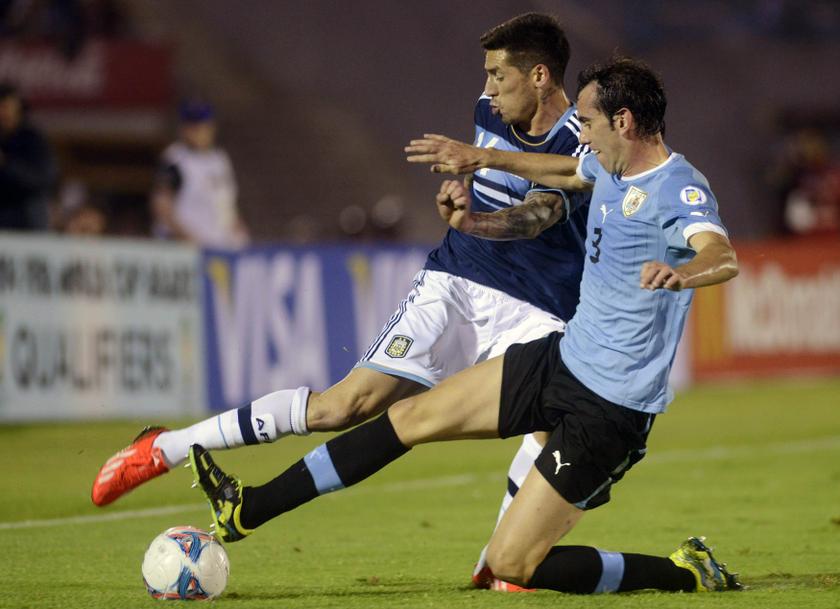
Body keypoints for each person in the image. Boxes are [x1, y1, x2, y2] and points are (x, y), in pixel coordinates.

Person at [188, 56, 741, 595]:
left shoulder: (679, 187)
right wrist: (479, 163)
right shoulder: (605, 164)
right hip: (562, 361)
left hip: (611, 408)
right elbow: (563, 169)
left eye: (591, 123)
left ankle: (685, 572)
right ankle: (248, 509)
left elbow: (721, 254)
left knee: (512, 566)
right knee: (408, 415)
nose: (584, 136)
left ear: (624, 122)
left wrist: (683, 273)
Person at [92, 12, 589, 591]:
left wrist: (475, 211)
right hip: (456, 282)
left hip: (538, 308)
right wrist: (460, 201)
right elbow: (482, 185)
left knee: (549, 426)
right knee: (343, 407)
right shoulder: (488, 107)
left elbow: (538, 216)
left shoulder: (579, 140)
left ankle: (497, 564)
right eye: (485, 75)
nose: (487, 89)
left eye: (499, 76)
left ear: (539, 76)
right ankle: (166, 448)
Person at [151, 99, 249, 248]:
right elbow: (162, 207)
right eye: (194, 127)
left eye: (204, 127)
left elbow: (225, 201)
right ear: (184, 129)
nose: (199, 133)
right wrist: (185, 237)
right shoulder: (175, 159)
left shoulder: (220, 160)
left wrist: (237, 227)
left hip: (218, 247)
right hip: (184, 249)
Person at [0, 81, 56, 231]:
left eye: (6, 107)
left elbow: (43, 179)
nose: (3, 113)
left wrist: (7, 164)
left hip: (27, 224)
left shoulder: (33, 140)